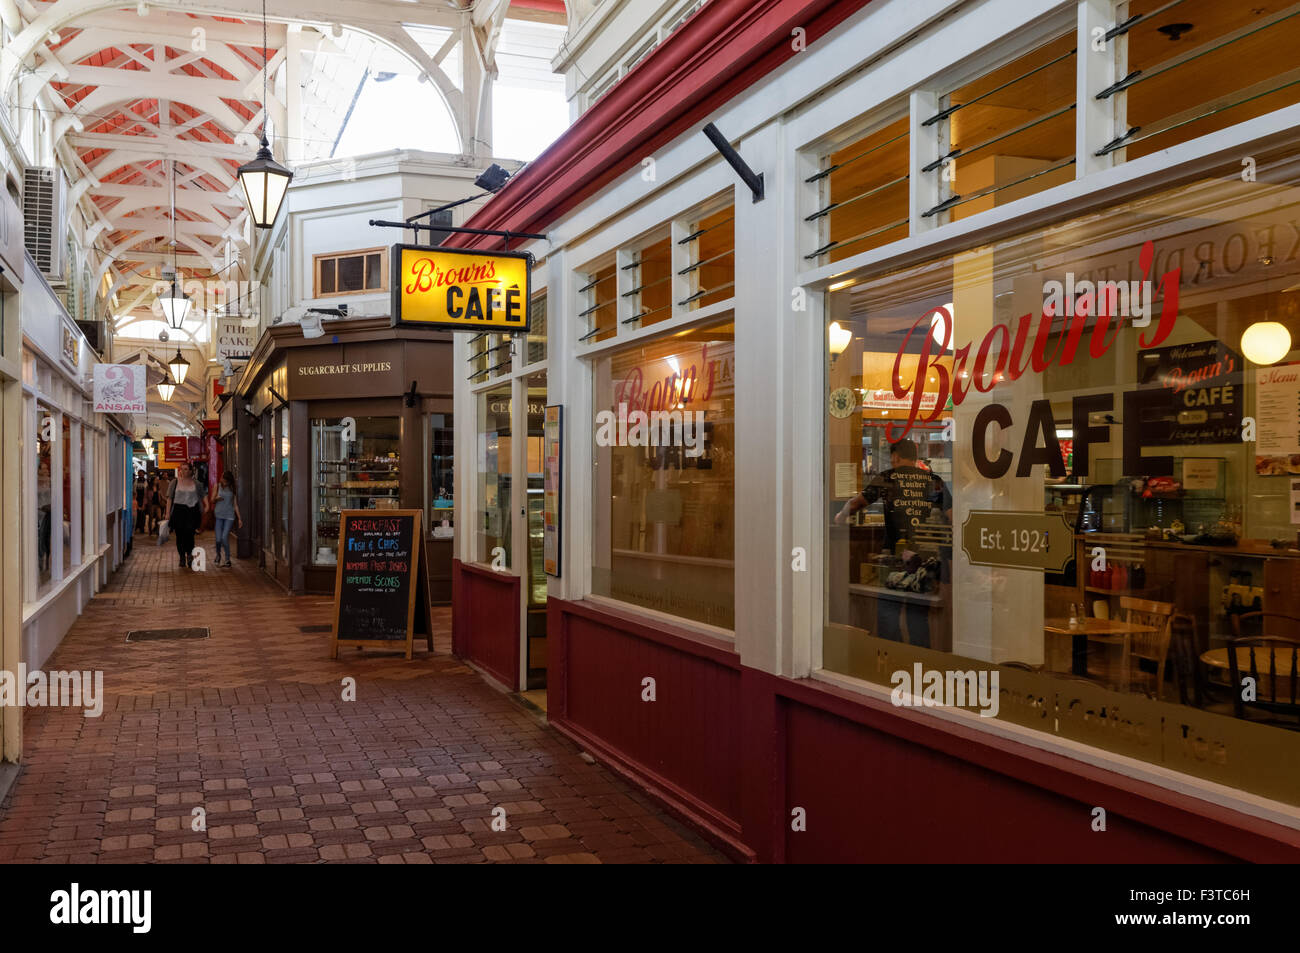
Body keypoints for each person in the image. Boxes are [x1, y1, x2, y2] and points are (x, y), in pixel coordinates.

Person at [835, 438, 952, 647]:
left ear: (895, 456)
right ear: (915, 458)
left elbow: (855, 504)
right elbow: (953, 516)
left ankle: (892, 659)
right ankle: (920, 661)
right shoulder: (933, 479)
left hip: (896, 560)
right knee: (918, 614)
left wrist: (840, 517)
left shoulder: (888, 477)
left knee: (888, 610)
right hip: (927, 561)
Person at [164, 463, 207, 569]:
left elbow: (203, 495)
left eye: (186, 469)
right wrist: (167, 513)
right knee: (180, 536)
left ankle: (189, 555)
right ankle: (182, 556)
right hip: (178, 511)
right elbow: (169, 498)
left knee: (190, 535)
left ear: (191, 471)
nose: (184, 471)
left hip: (192, 512)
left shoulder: (196, 483)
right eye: (182, 469)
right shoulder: (174, 482)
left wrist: (207, 505)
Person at [212, 471, 241, 568]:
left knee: (224, 537)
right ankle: (218, 555)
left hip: (229, 516)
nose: (222, 480)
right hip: (219, 515)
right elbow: (212, 500)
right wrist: (216, 499)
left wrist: (240, 519)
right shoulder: (217, 486)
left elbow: (235, 505)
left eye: (224, 479)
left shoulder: (232, 488)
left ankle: (228, 559)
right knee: (218, 539)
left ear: (229, 480)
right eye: (222, 478)